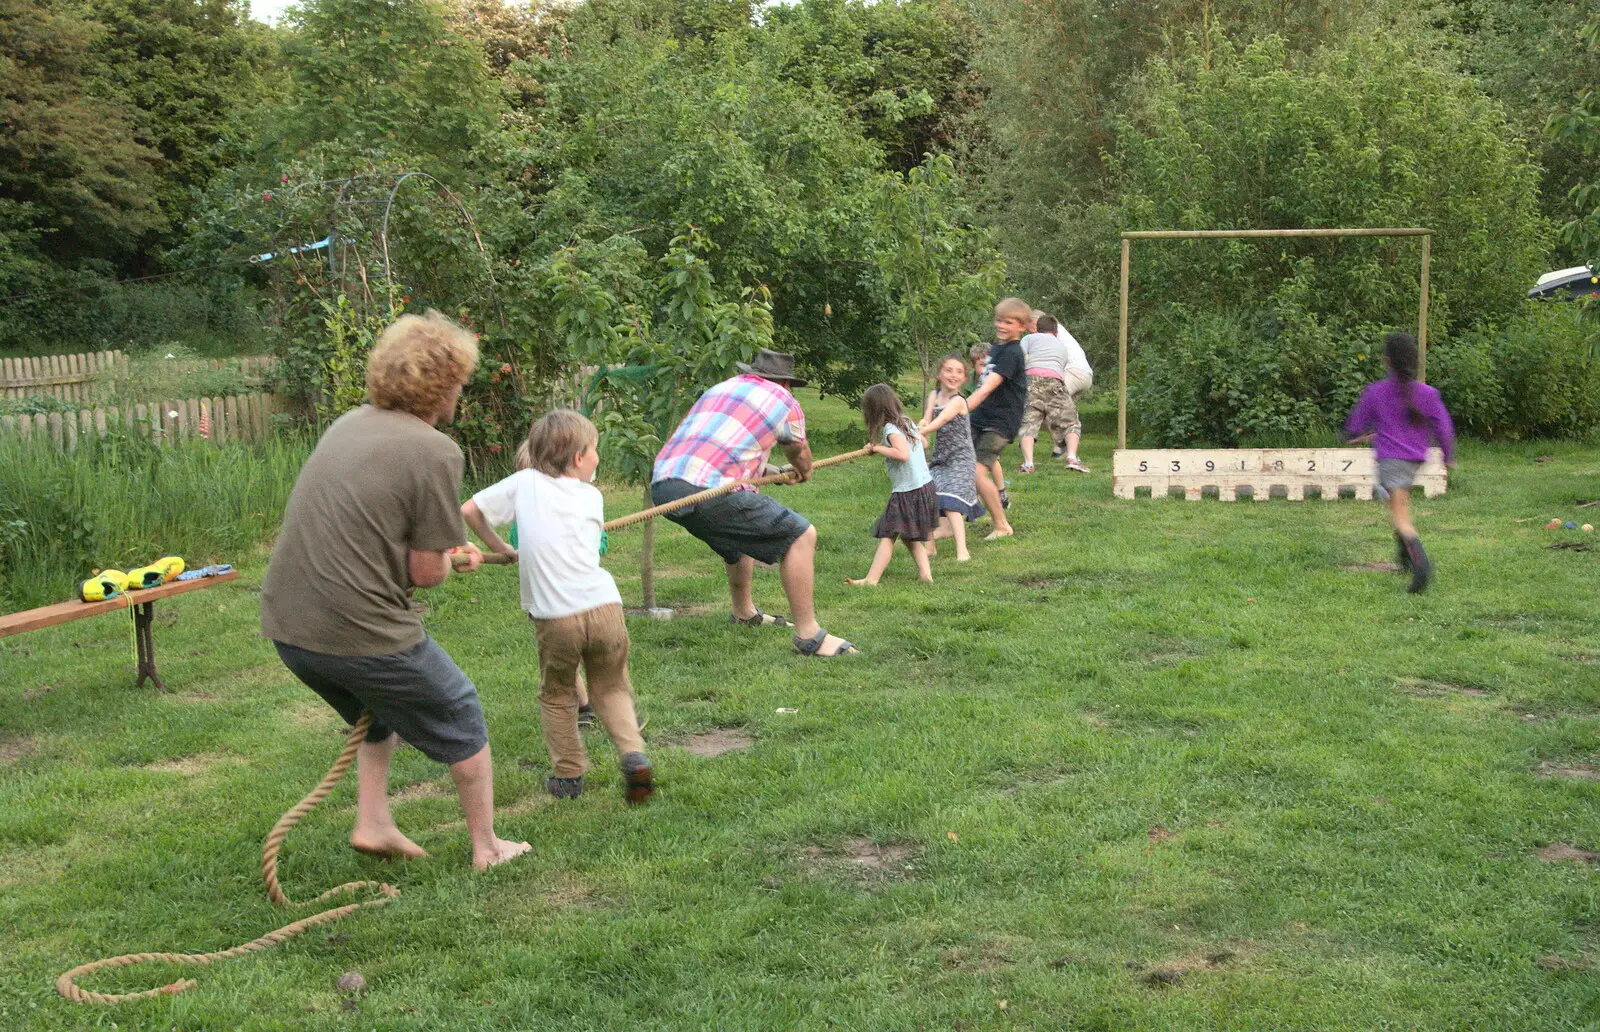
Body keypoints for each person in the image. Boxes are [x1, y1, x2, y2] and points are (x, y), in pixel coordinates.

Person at [261, 310, 529, 872]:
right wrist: (453, 560)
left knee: (376, 710)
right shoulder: (435, 450)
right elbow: (426, 573)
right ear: (444, 381)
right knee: (461, 713)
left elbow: (373, 532)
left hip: (289, 628)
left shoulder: (348, 423)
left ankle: (374, 821)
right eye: (460, 379)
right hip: (359, 630)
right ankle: (488, 847)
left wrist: (439, 551)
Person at [462, 410, 653, 804]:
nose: (598, 458)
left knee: (558, 693)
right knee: (612, 686)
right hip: (605, 606)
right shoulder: (592, 496)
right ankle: (633, 755)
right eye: (595, 450)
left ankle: (568, 776)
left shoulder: (523, 483)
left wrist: (500, 548)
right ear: (579, 458)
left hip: (557, 617)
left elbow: (470, 511)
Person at [650, 348, 857, 657]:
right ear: (786, 382)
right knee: (801, 535)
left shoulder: (721, 389)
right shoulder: (785, 401)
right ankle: (809, 635)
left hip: (665, 485)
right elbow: (798, 452)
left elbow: (722, 446)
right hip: (710, 489)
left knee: (736, 539)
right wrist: (803, 471)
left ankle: (744, 612)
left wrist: (770, 472)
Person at [1344, 331, 1456, 593]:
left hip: (1392, 461)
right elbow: (1443, 426)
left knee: (1400, 515)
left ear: (1387, 361)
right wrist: (1448, 456)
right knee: (1395, 502)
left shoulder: (1376, 392)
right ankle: (1405, 559)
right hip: (1416, 459)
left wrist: (1352, 435)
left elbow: (1356, 423)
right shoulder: (1427, 393)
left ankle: (1421, 567)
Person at [847, 384, 938, 585]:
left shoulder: (890, 428)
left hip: (908, 491)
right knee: (909, 536)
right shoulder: (906, 422)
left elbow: (903, 454)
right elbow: (924, 443)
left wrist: (878, 448)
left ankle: (871, 580)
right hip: (924, 486)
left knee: (888, 534)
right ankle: (926, 577)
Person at [966, 298, 1030, 540]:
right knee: (957, 466)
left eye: (1009, 322)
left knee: (976, 473)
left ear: (1022, 326)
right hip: (982, 416)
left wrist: (962, 407)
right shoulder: (997, 349)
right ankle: (949, 523)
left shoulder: (1012, 353)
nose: (1002, 325)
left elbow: (987, 387)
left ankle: (1002, 525)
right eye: (999, 320)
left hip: (1000, 423)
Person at [918, 354, 985, 561]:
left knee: (950, 502)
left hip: (961, 459)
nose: (953, 375)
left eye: (959, 372)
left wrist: (924, 431)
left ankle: (962, 550)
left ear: (964, 378)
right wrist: (921, 427)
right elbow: (928, 417)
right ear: (939, 374)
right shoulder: (934, 395)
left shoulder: (958, 401)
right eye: (948, 370)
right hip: (941, 457)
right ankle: (929, 547)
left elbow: (943, 419)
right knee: (927, 496)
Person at [1017, 313, 1094, 474]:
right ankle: (1072, 457)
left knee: (1028, 423)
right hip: (1054, 381)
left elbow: (1020, 358)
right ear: (1055, 331)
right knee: (1070, 420)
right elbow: (1060, 366)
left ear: (1037, 329)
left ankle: (1028, 464)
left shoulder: (1028, 339)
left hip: (1031, 381)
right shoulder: (1061, 345)